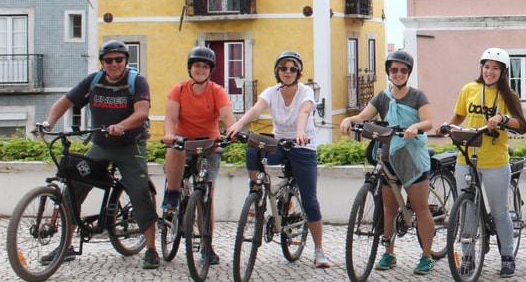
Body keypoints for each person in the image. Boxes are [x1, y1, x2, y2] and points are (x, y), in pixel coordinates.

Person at [39, 40, 160, 269]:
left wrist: (122, 125)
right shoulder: (93, 81)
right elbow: (64, 102)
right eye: (108, 60)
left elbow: (142, 113)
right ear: (102, 63)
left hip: (130, 145)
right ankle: (66, 246)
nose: (114, 64)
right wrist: (47, 123)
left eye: (119, 59)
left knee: (139, 191)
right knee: (73, 188)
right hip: (100, 145)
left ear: (126, 60)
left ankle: (151, 248)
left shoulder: (137, 82)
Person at [226, 50, 331, 269]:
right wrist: (237, 125)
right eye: (283, 67)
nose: (288, 72)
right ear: (277, 70)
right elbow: (257, 109)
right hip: (280, 144)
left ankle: (319, 250)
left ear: (298, 73)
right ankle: (255, 189)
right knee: (253, 148)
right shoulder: (271, 92)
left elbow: (304, 112)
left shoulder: (305, 92)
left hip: (303, 146)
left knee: (310, 201)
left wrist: (301, 132)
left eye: (293, 69)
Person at [339, 49, 437, 276]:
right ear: (389, 72)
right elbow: (363, 116)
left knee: (421, 209)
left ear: (408, 73)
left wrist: (415, 127)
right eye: (394, 69)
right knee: (389, 208)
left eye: (403, 70)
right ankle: (388, 252)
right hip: (389, 155)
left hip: (412, 156)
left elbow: (429, 121)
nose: (398, 73)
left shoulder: (418, 96)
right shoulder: (383, 97)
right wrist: (347, 119)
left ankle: (426, 256)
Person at [440, 47, 526, 278]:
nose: (490, 72)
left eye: (495, 68)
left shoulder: (508, 95)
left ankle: (507, 256)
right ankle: (468, 257)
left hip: (495, 160)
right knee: (467, 209)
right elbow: (459, 115)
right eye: (487, 67)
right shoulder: (469, 89)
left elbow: (522, 125)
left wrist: (503, 119)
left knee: (500, 212)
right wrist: (448, 126)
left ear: (503, 72)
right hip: (466, 157)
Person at [160, 45, 237, 265]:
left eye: (205, 66)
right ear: (190, 68)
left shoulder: (217, 91)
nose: (201, 70)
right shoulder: (179, 90)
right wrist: (169, 134)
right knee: (175, 147)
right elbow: (170, 118)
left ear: (210, 70)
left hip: (208, 144)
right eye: (197, 66)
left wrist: (232, 132)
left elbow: (226, 115)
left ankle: (207, 245)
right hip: (184, 141)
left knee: (206, 195)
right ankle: (173, 193)